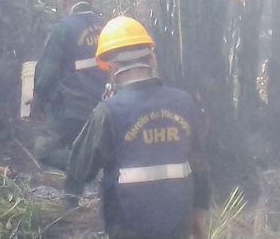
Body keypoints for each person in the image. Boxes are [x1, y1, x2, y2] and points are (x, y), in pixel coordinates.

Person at [65, 16, 210, 239]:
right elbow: (199, 165)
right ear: (151, 60)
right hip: (177, 227)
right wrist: (200, 210)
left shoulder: (108, 111)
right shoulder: (184, 103)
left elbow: (80, 169)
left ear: (111, 68)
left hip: (127, 228)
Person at [31, 0, 108, 170]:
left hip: (70, 109)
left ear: (65, 0)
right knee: (83, 145)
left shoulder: (63, 29)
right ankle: (77, 187)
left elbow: (46, 74)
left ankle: (88, 167)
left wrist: (38, 101)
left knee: (44, 150)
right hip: (102, 107)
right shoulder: (106, 27)